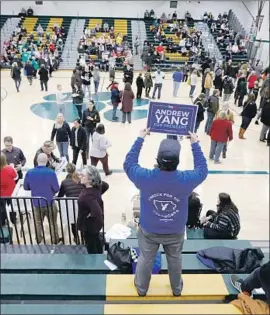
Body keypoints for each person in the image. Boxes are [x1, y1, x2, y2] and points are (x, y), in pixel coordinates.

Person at [123, 129, 208, 297]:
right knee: (175, 260)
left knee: (146, 259)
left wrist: (140, 138)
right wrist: (195, 144)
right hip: (175, 230)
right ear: (177, 162)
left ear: (157, 160)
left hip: (149, 230)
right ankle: (176, 289)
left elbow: (129, 163)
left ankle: (141, 288)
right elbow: (202, 169)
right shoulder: (186, 179)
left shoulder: (145, 177)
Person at [24, 153, 61, 244]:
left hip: (36, 203)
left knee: (38, 222)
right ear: (47, 161)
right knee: (53, 223)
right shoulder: (51, 172)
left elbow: (26, 187)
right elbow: (56, 188)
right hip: (50, 202)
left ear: (37, 161)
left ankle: (39, 239)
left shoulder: (30, 172)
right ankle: (55, 240)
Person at [77, 166, 109, 253]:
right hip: (96, 224)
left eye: (82, 175)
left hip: (89, 226)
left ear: (90, 179)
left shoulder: (87, 196)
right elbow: (106, 185)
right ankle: (99, 254)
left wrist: (88, 215)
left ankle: (95, 263)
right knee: (96, 240)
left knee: (91, 247)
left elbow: (97, 212)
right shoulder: (96, 188)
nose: (80, 176)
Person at [58, 163, 84, 242]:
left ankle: (76, 237)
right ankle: (83, 238)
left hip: (71, 204)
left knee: (73, 221)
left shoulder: (64, 182)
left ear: (67, 171)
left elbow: (60, 195)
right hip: (82, 203)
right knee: (82, 221)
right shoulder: (81, 179)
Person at [0, 153, 17, 226]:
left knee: (2, 208)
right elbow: (15, 176)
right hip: (11, 192)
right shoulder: (9, 168)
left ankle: (2, 221)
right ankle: (13, 219)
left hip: (1, 193)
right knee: (12, 206)